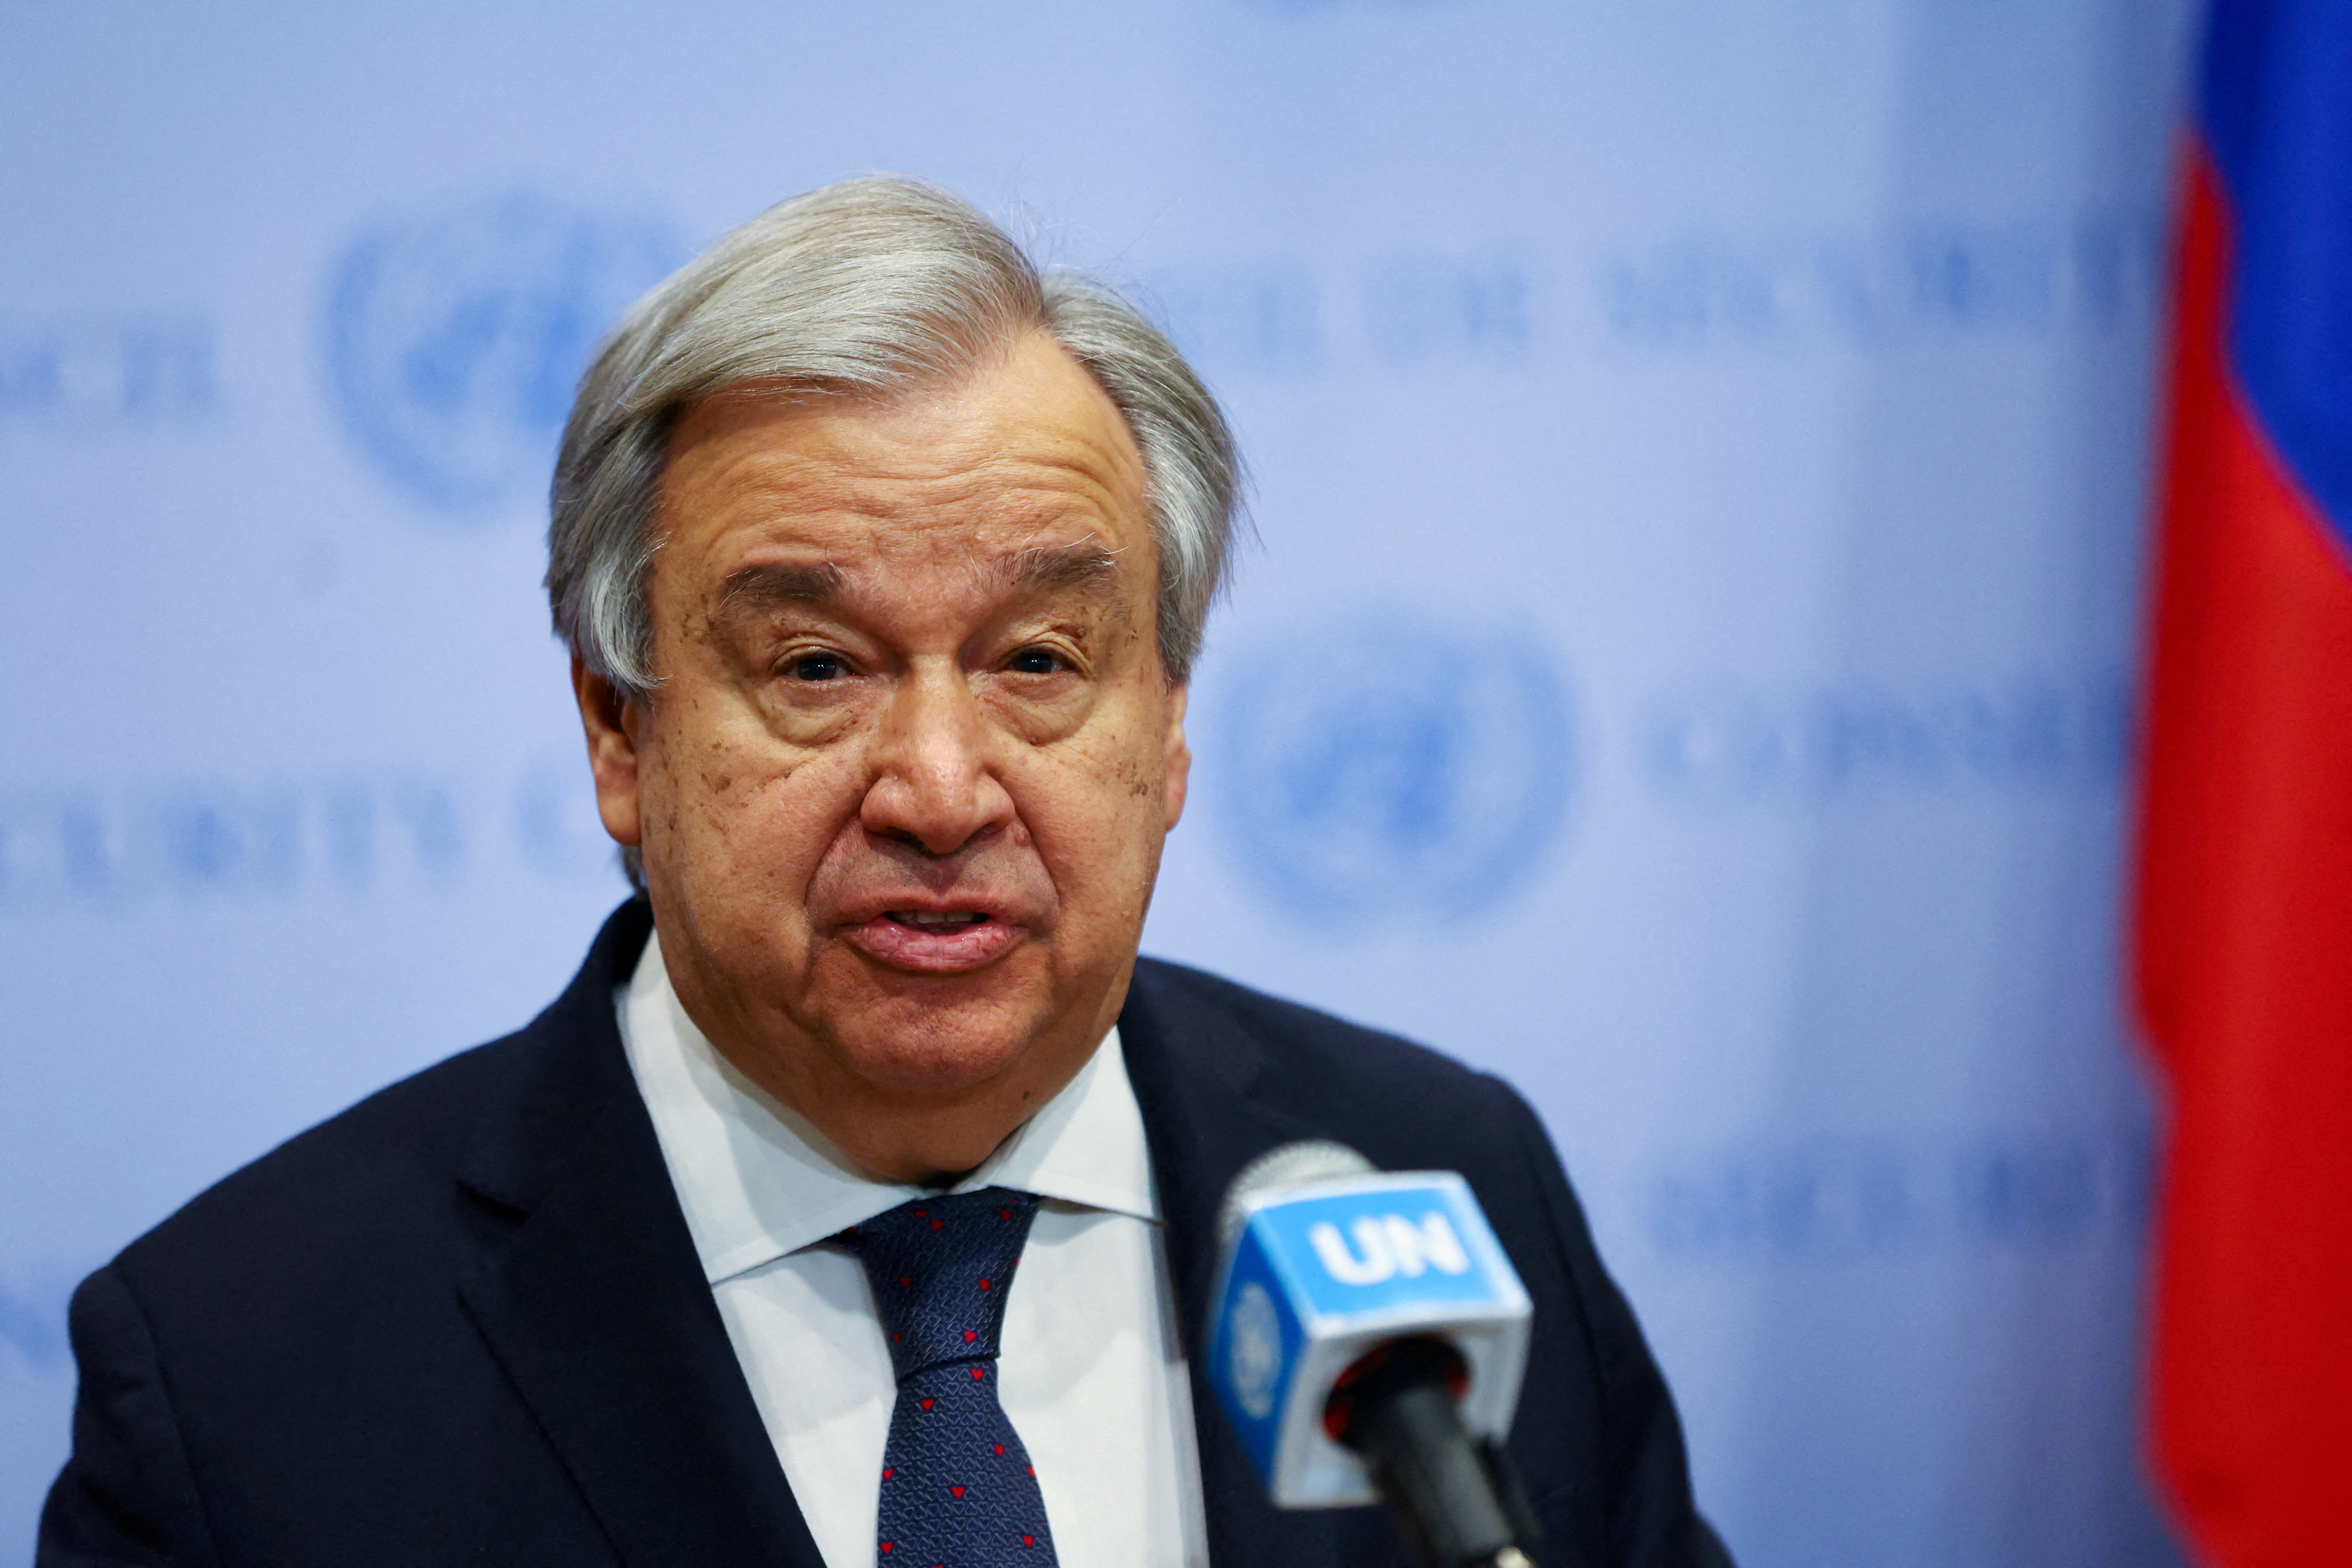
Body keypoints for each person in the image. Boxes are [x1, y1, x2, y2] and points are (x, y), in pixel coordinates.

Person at [37, 178, 1730, 1568]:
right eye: (819, 667)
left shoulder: (1443, 1183)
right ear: (620, 733)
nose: (937, 787)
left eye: (1042, 661)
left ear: (1173, 727)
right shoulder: (247, 1375)